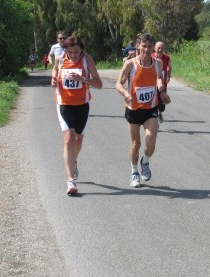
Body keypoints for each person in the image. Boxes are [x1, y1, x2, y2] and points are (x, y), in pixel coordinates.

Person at [116, 33, 171, 188]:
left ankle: (145, 161)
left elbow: (159, 78)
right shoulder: (130, 64)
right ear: (138, 46)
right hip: (133, 108)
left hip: (150, 107)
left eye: (149, 46)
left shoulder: (157, 63)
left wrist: (161, 92)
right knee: (136, 143)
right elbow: (118, 83)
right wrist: (126, 93)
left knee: (151, 141)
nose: (146, 49)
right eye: (143, 46)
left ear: (153, 47)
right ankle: (134, 172)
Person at [51, 36, 103, 195]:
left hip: (82, 104)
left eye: (76, 52)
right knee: (69, 139)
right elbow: (55, 69)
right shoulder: (60, 59)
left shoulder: (87, 60)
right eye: (70, 52)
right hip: (64, 103)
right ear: (65, 50)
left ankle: (73, 161)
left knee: (78, 140)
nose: (73, 55)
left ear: (81, 50)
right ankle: (70, 181)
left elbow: (99, 84)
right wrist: (53, 78)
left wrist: (83, 79)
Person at [151, 41, 172, 123]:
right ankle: (154, 118)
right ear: (155, 48)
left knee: (162, 105)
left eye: (162, 47)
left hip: (162, 83)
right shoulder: (150, 56)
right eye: (158, 47)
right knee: (153, 101)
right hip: (152, 83)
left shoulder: (167, 58)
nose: (160, 49)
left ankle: (160, 112)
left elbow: (169, 67)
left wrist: (168, 75)